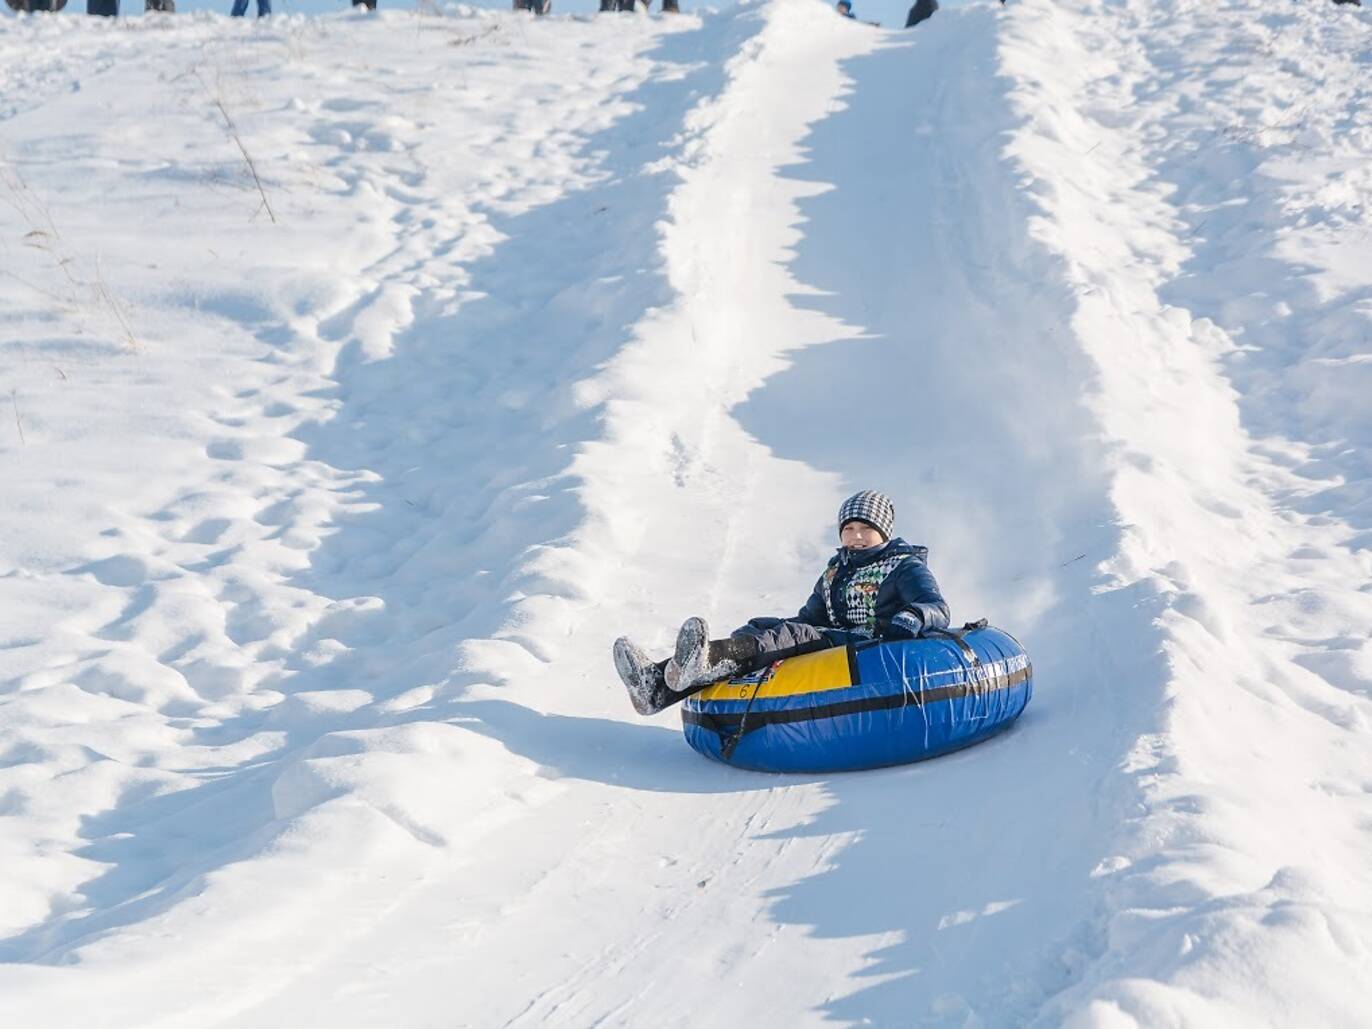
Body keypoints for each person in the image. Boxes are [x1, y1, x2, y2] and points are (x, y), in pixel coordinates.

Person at [614, 490, 951, 715]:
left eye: (866, 527)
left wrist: (913, 615)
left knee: (792, 636)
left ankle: (704, 662)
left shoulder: (905, 566)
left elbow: (937, 607)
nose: (856, 536)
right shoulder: (836, 572)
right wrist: (774, 630)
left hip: (872, 647)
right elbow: (811, 617)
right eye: (849, 528)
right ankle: (655, 688)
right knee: (765, 628)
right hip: (836, 641)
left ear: (884, 532)